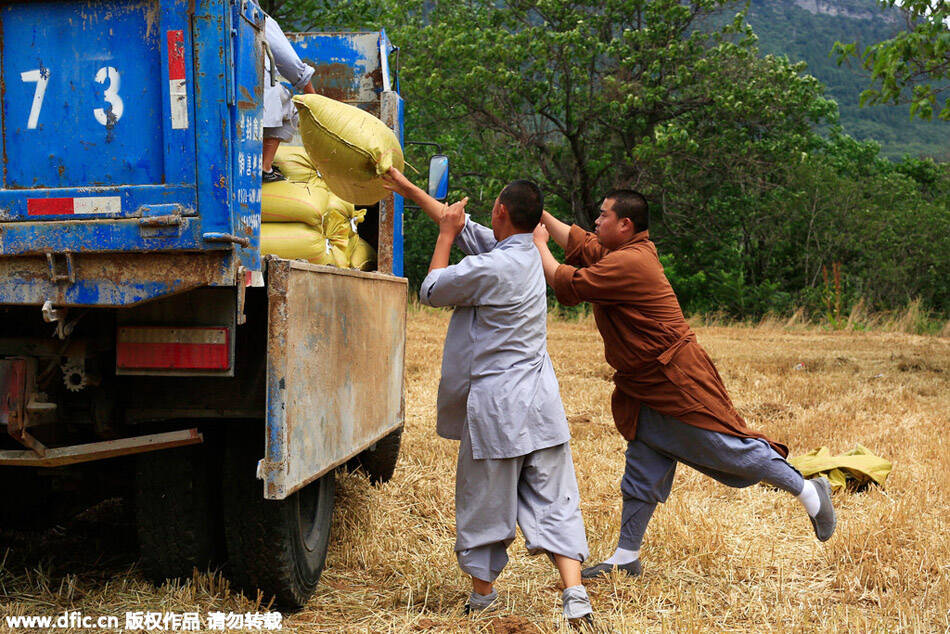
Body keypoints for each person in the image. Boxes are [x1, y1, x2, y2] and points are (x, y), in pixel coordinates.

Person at [532, 190, 836, 579]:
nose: (596, 221)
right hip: (644, 384)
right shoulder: (621, 252)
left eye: (603, 215)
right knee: (642, 466)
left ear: (625, 225)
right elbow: (581, 243)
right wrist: (538, 212)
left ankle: (810, 492)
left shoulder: (630, 262)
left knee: (726, 447)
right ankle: (626, 558)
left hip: (674, 378)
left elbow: (566, 282)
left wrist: (539, 244)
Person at [381, 168, 595, 626]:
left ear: (501, 211)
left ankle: (483, 596)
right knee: (555, 497)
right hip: (541, 406)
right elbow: (459, 223)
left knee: (485, 501)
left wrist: (443, 235)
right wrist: (408, 189)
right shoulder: (523, 254)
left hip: (498, 408)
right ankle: (575, 594)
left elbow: (432, 288)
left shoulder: (494, 266)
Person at [254, 4, 317, 182]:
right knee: (289, 105)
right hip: (253, 93)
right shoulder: (258, 18)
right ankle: (264, 167)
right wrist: (313, 99)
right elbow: (290, 63)